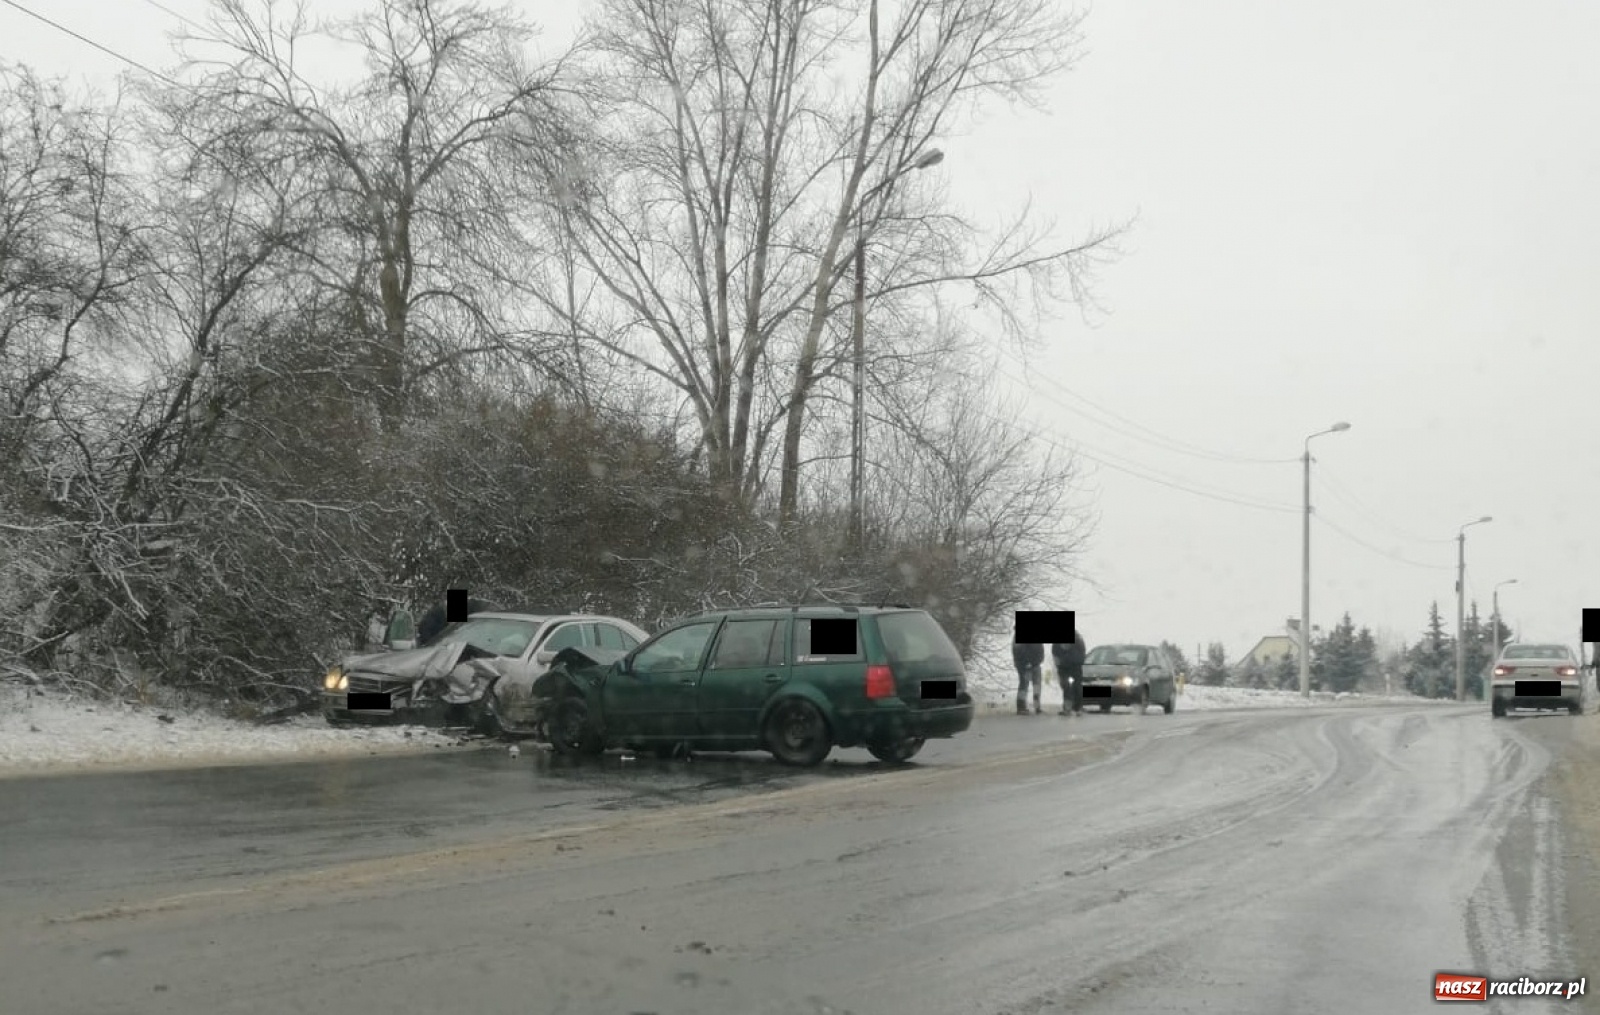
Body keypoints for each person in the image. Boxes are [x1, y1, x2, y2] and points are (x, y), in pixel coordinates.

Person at [1053, 630, 1086, 716]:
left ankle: (1077, 708)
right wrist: (1058, 664)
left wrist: (1079, 661)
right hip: (1064, 668)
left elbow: (1082, 652)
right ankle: (1068, 708)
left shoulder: (1077, 639)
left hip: (1075, 667)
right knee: (1066, 687)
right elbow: (1055, 653)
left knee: (1076, 686)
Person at [1012, 637, 1044, 715]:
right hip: (1024, 665)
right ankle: (1021, 707)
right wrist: (1026, 662)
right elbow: (1018, 652)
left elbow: (1040, 650)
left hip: (1036, 664)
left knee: (1037, 686)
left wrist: (1039, 660)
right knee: (1024, 685)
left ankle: (1037, 706)